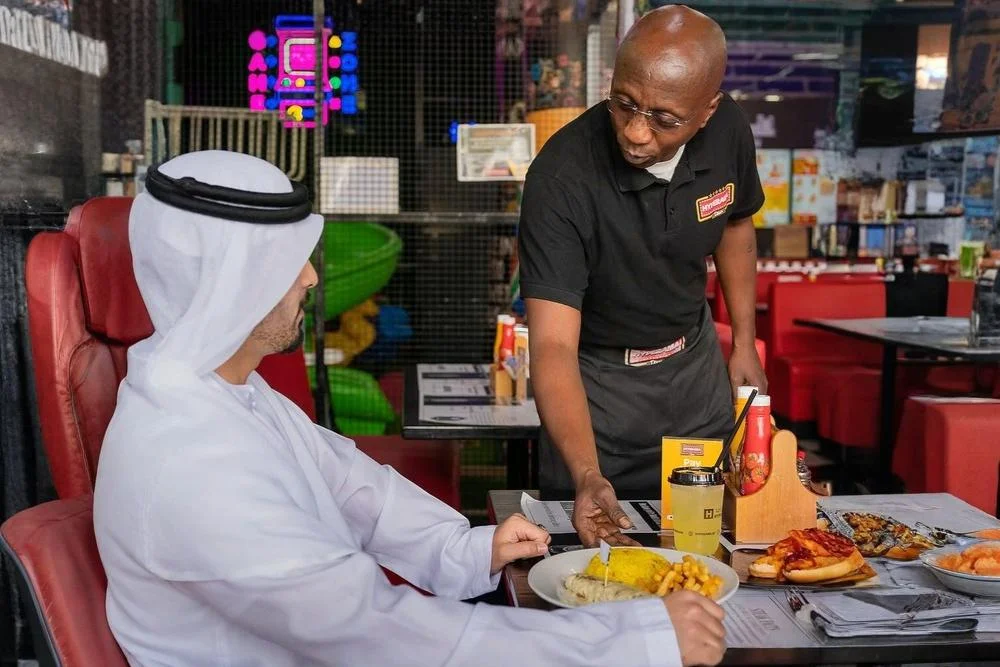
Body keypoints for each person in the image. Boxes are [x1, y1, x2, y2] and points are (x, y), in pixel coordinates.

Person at [93, 151, 726, 667]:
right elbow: (375, 633)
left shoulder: (224, 393)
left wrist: (466, 549)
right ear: (230, 283)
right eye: (287, 264)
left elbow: (354, 487)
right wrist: (637, 641)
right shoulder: (187, 456)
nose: (310, 279)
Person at [518, 5, 767, 547]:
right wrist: (586, 473)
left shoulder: (728, 129)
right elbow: (553, 346)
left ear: (707, 111)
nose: (634, 132)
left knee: (713, 547)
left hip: (695, 372)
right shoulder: (560, 178)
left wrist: (745, 342)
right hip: (598, 388)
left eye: (664, 119)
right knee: (591, 563)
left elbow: (735, 224)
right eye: (623, 103)